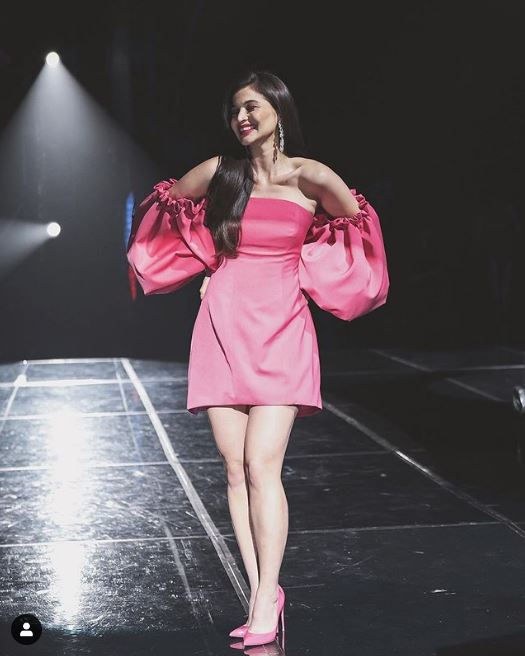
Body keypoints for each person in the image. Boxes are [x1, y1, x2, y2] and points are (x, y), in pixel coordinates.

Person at [127, 70, 389, 646]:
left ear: (278, 109)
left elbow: (358, 228)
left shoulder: (310, 176)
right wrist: (205, 261)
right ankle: (259, 593)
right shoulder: (222, 173)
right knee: (234, 470)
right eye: (235, 110)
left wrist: (314, 271)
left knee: (262, 463)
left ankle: (268, 594)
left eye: (252, 107)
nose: (241, 117)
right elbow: (166, 208)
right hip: (221, 326)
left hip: (283, 328)